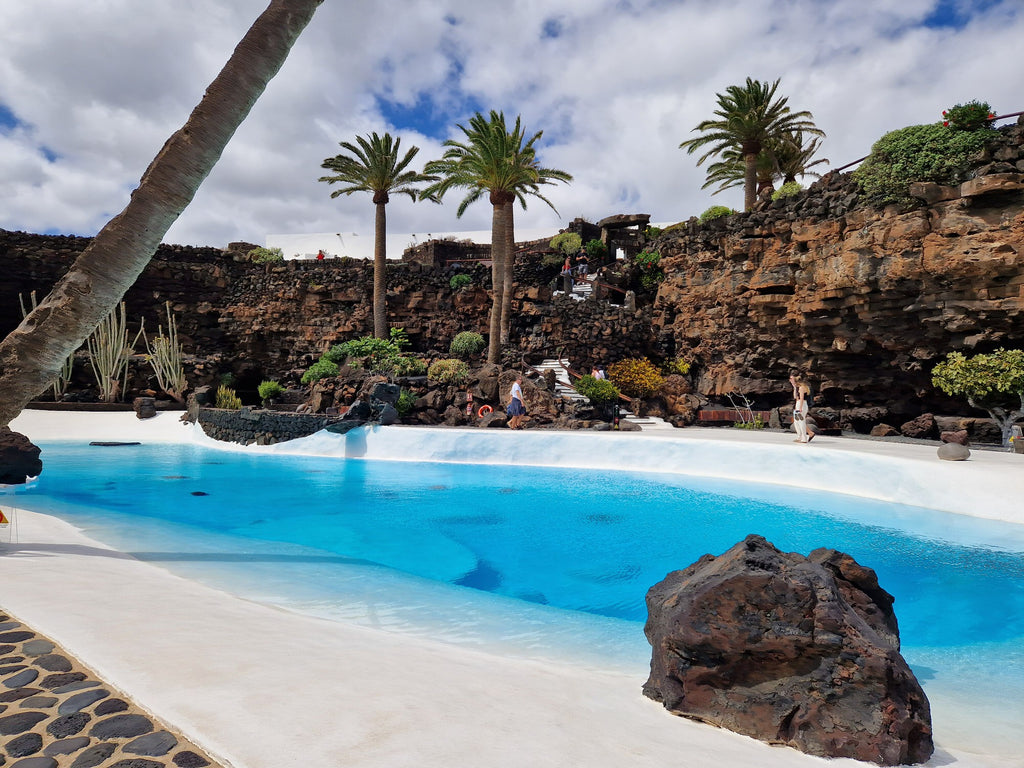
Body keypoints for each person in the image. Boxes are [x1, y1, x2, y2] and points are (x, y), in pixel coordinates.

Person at [790, 373, 813, 443]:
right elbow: (795, 397)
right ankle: (799, 436)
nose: (790, 380)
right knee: (797, 421)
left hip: (802, 405)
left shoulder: (802, 387)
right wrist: (794, 387)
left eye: (792, 379)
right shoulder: (798, 388)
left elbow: (802, 398)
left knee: (801, 421)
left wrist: (800, 408)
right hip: (798, 404)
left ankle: (804, 438)